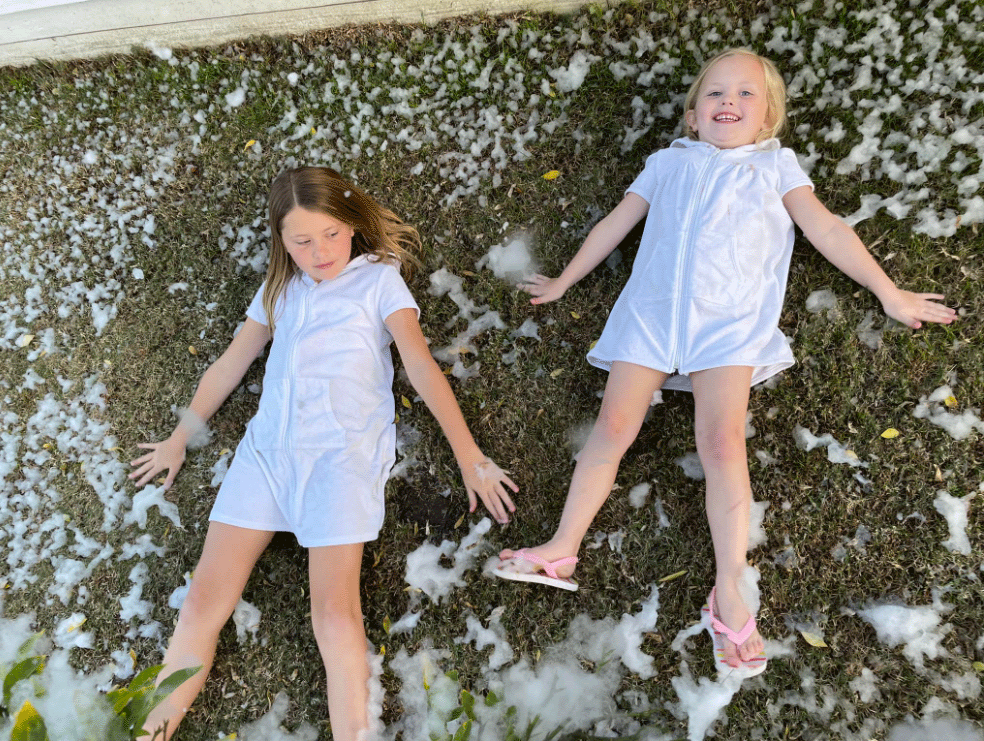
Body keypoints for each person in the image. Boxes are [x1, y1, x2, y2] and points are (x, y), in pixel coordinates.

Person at [493, 48, 956, 677]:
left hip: (727, 323)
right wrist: (566, 281)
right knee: (612, 431)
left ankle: (730, 588)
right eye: (715, 94)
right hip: (651, 317)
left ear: (768, 118)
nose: (728, 103)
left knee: (721, 443)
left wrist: (888, 291)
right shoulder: (665, 164)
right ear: (692, 114)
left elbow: (827, 229)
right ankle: (561, 549)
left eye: (745, 94)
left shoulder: (775, 166)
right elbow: (616, 224)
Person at [130, 166, 518, 739]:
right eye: (302, 240)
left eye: (332, 234)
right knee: (200, 606)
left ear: (353, 225)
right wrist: (179, 436)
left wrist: (469, 455)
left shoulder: (379, 280)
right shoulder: (278, 290)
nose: (320, 252)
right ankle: (151, 732)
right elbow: (232, 364)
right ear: (281, 241)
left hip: (341, 458)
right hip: (267, 453)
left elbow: (419, 366)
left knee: (334, 617)